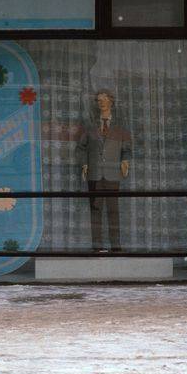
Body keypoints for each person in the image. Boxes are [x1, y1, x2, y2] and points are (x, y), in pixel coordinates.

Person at [76, 89, 131, 252]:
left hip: (113, 173)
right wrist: (84, 164)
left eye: (104, 99)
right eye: (98, 100)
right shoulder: (90, 125)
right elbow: (81, 147)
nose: (101, 103)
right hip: (94, 173)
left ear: (111, 101)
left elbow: (127, 147)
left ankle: (116, 244)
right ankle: (97, 244)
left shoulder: (120, 126)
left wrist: (125, 160)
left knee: (113, 209)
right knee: (96, 208)